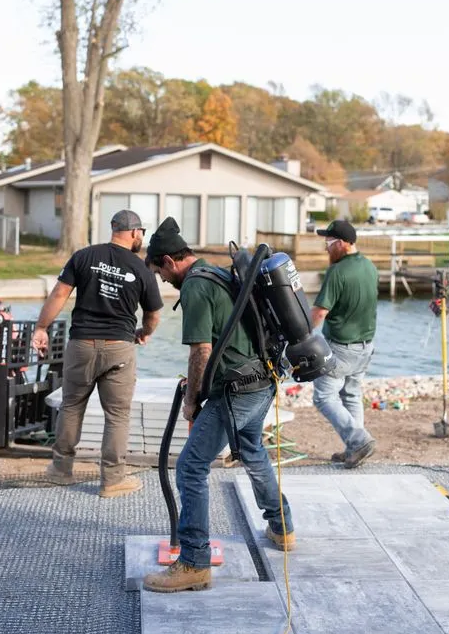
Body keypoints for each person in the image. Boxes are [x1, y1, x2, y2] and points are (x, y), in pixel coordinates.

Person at [142, 217, 294, 593]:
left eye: (160, 273)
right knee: (254, 452)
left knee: (191, 468)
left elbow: (201, 349)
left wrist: (192, 401)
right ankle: (282, 527)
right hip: (263, 382)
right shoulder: (217, 274)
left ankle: (194, 563)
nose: (162, 281)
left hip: (237, 393)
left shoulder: (194, 286)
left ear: (168, 261)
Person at [32, 209, 163, 497]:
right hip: (119, 348)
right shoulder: (141, 269)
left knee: (72, 405)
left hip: (81, 344)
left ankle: (61, 470)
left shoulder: (84, 256)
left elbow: (58, 294)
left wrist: (41, 327)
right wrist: (145, 332)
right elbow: (153, 314)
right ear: (134, 233)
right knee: (117, 415)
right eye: (142, 232)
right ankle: (113, 480)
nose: (142, 237)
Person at [310, 219, 378, 469]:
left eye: (328, 243)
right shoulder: (369, 267)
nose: (325, 248)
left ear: (341, 244)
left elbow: (319, 313)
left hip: (340, 348)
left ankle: (359, 440)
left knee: (324, 397)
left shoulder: (337, 272)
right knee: (350, 394)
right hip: (365, 347)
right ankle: (355, 449)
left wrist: (297, 335)